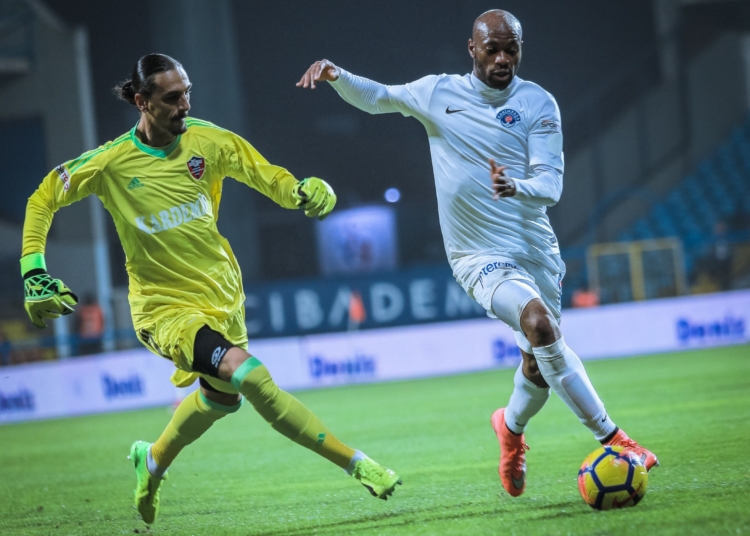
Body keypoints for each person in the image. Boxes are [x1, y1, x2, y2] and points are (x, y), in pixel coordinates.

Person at [20, 53, 400, 525]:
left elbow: (267, 175)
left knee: (222, 398)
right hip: (163, 310)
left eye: (187, 93)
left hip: (222, 297)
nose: (184, 105)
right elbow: (44, 197)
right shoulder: (111, 163)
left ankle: (151, 460)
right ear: (142, 102)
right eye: (171, 98)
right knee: (251, 377)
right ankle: (357, 463)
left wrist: (302, 191)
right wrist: (33, 271)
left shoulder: (210, 141)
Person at [298, 9, 657, 498]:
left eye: (512, 49)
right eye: (493, 49)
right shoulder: (438, 93)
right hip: (476, 254)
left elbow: (551, 185)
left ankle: (509, 429)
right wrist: (337, 75)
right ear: (472, 49)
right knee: (540, 325)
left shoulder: (537, 103)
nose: (503, 58)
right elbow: (380, 97)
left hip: (535, 249)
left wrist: (516, 186)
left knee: (538, 365)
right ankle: (616, 439)